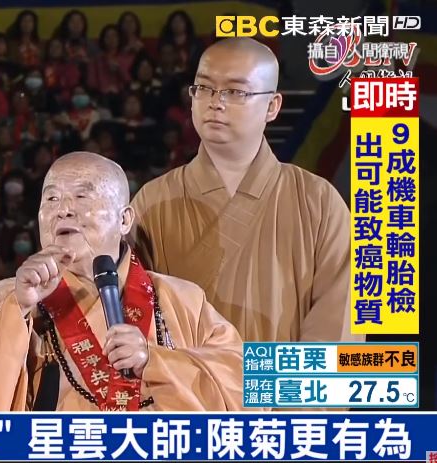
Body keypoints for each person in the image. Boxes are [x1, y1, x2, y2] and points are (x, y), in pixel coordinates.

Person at [0, 151, 243, 411]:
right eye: (51, 199)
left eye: (82, 196)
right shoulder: (7, 299)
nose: (63, 210)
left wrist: (155, 360)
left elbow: (250, 382)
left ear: (124, 219)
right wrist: (16, 314)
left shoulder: (180, 297)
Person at [131, 38, 359, 343]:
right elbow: (132, 312)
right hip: (183, 374)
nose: (215, 102)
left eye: (235, 92)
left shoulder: (317, 201)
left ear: (272, 106)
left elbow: (338, 320)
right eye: (204, 88)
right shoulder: (153, 201)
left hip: (284, 374)